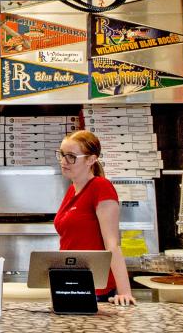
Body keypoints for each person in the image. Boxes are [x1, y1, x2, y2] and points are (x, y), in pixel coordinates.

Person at [54, 130, 137, 306]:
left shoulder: (101, 187)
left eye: (71, 156)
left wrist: (124, 293)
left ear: (91, 160)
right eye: (62, 155)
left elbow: (112, 244)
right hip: (70, 283)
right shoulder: (72, 190)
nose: (63, 162)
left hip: (97, 289)